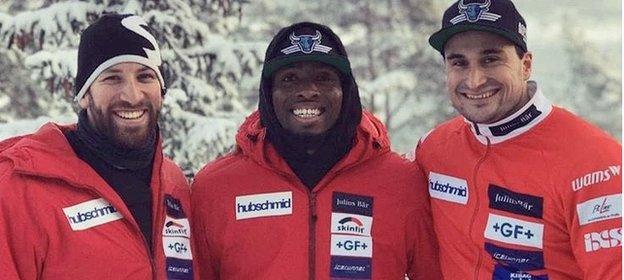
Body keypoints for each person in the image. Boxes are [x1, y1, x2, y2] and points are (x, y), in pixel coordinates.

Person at [191, 22, 442, 279]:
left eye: (323, 78)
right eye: (289, 79)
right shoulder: (215, 188)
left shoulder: (402, 182)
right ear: (268, 94)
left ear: (346, 91)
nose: (308, 91)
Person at [412, 0, 622, 279]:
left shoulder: (596, 162)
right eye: (459, 62)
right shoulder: (434, 149)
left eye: (491, 59)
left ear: (525, 65)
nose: (474, 80)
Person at [0, 14, 194, 279]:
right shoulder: (20, 189)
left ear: (161, 90)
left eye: (145, 76)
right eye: (112, 78)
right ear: (84, 95)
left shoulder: (173, 182)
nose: (132, 95)